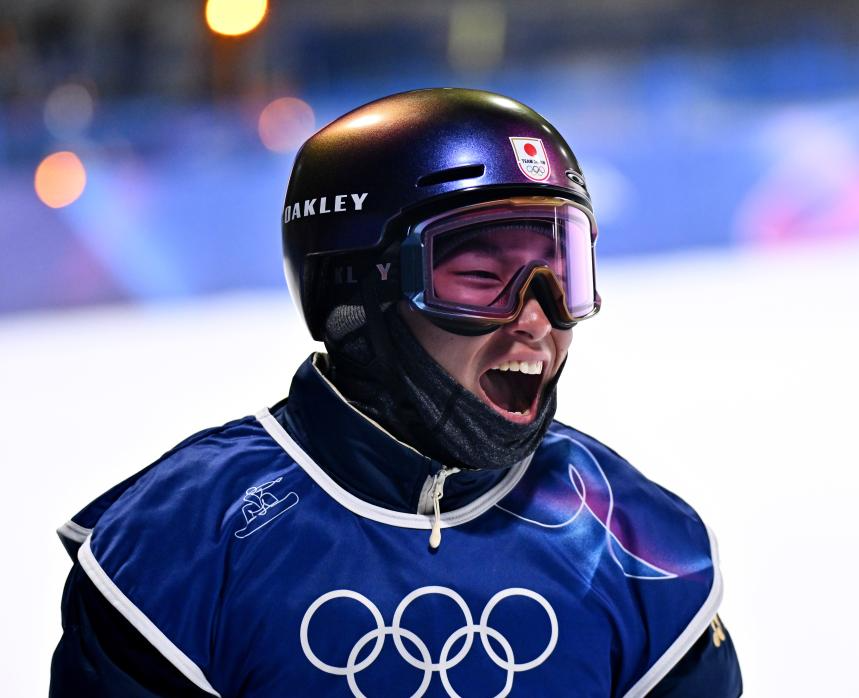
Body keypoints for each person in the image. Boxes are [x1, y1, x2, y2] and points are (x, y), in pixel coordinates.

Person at [50, 88, 742, 697]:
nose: (537, 319)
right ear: (357, 291)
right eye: (480, 276)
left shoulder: (637, 547)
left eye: (561, 275)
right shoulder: (182, 547)